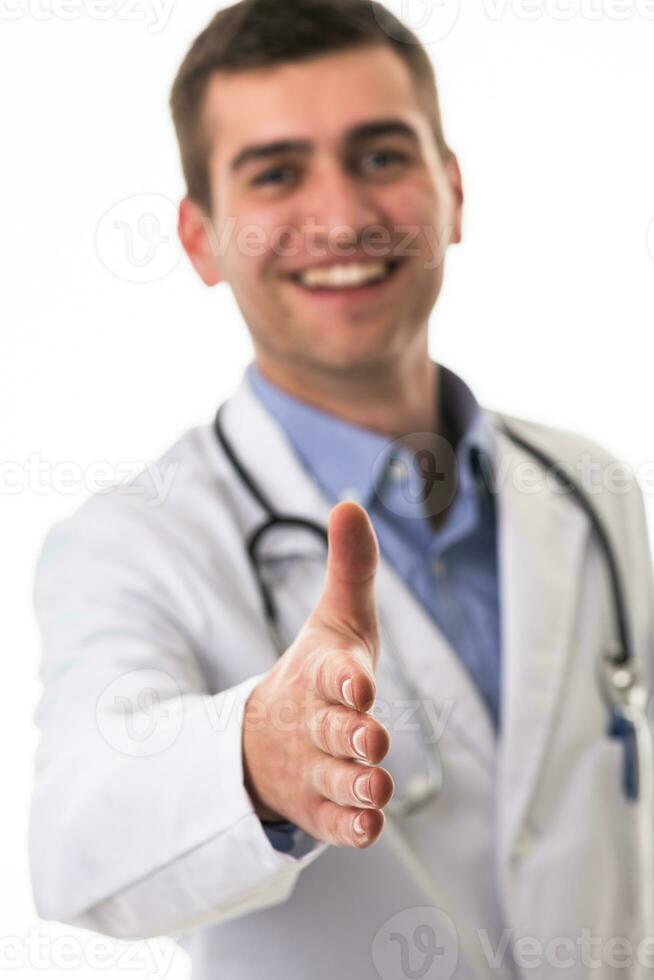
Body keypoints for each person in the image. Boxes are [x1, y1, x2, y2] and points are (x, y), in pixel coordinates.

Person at [29, 1, 654, 977]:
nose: (343, 217)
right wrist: (257, 757)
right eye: (277, 173)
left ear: (452, 189)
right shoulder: (132, 540)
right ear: (200, 238)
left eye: (381, 156)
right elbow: (73, 841)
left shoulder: (594, 489)